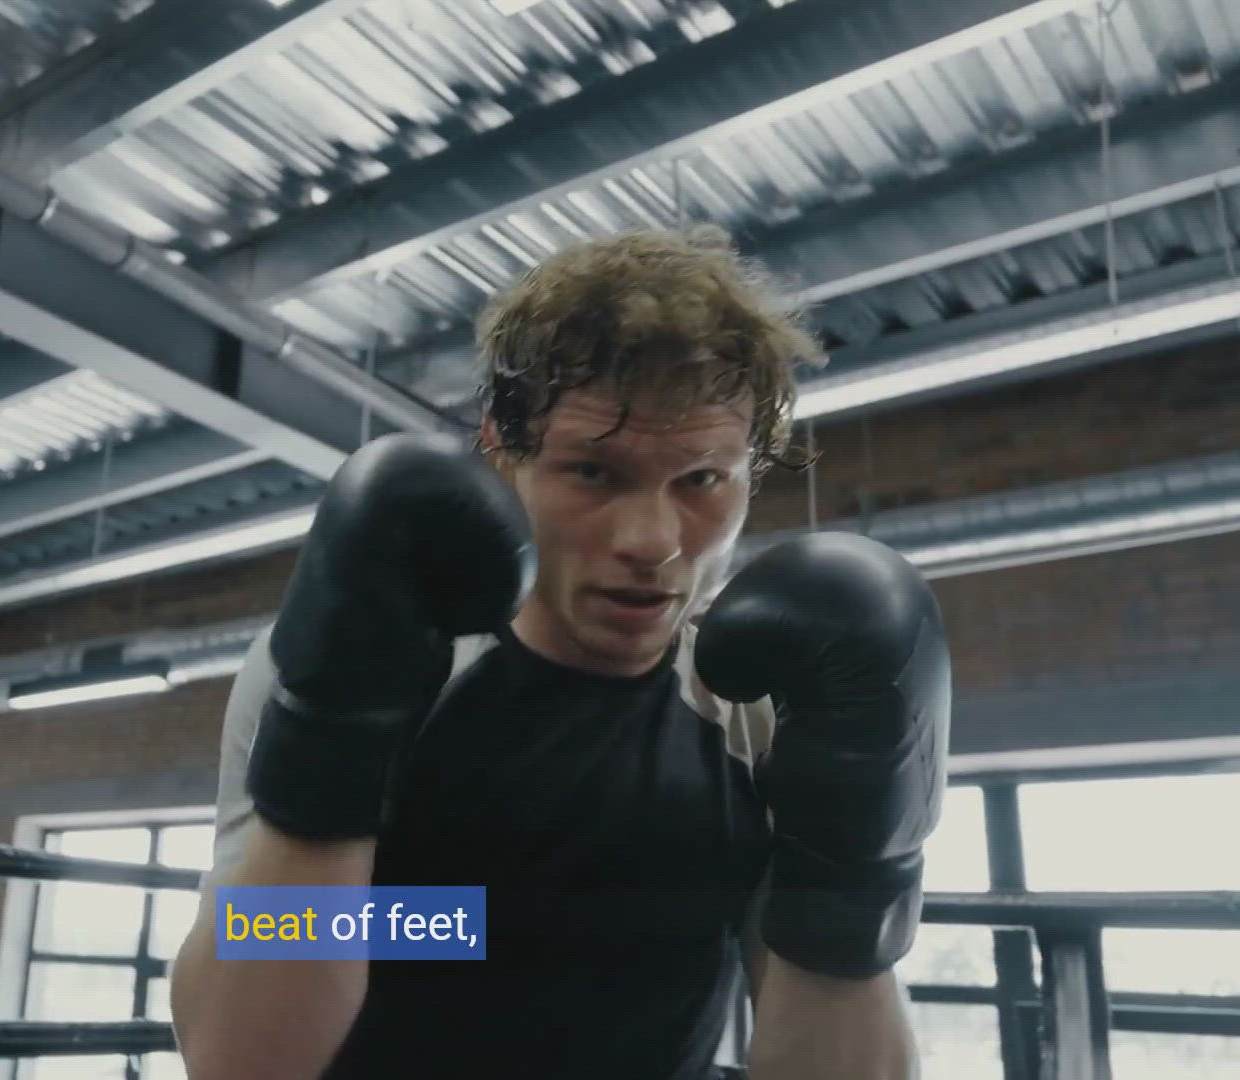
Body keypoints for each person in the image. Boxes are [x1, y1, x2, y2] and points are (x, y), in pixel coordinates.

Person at [168, 227, 950, 1079]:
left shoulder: (758, 710)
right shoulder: (362, 658)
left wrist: (856, 885)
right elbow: (239, 1064)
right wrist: (358, 788)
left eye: (701, 480)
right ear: (503, 451)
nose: (651, 540)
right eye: (594, 473)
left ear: (749, 475)